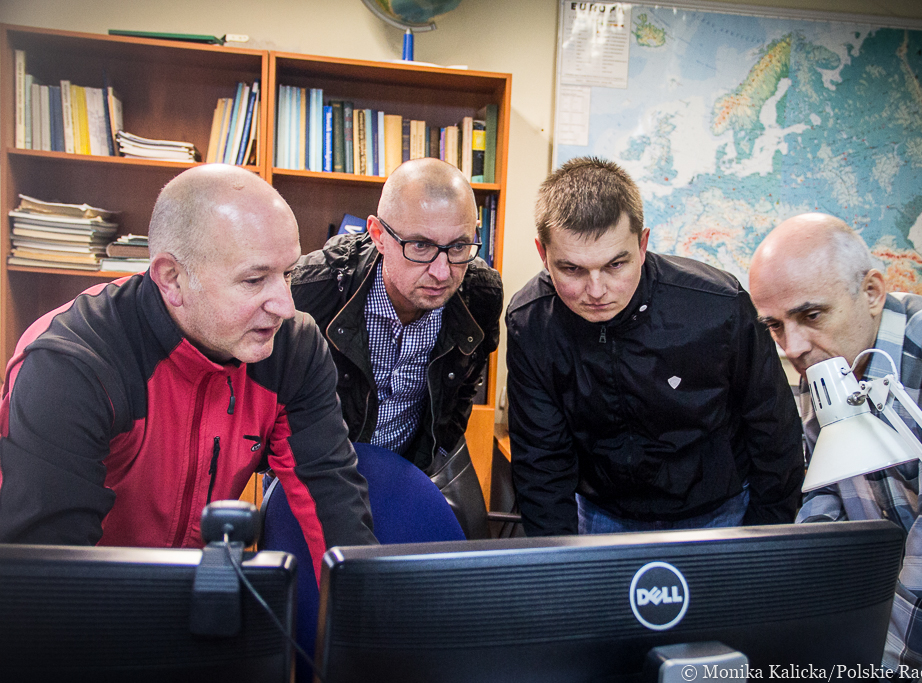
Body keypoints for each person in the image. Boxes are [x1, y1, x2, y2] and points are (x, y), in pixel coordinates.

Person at [0, 164, 376, 575]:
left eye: (288, 274)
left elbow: (332, 503)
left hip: (198, 587)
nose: (286, 306)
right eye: (254, 280)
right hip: (94, 596)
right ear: (172, 279)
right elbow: (46, 572)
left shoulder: (293, 348)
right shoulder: (71, 365)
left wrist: (367, 609)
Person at [748, 212, 922, 670]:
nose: (792, 347)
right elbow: (827, 495)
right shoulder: (825, 364)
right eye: (774, 325)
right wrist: (793, 598)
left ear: (872, 292)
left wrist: (880, 672)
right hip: (899, 587)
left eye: (811, 315)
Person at [505, 157, 804, 537]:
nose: (596, 291)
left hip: (720, 509)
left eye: (615, 265)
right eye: (572, 269)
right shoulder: (531, 321)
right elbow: (541, 459)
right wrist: (557, 561)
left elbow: (773, 429)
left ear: (642, 244)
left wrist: (764, 538)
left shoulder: (718, 305)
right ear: (542, 253)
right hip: (602, 513)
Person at [291, 158, 502, 536]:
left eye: (458, 246)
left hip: (415, 465)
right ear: (378, 234)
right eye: (420, 245)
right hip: (319, 469)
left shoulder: (480, 292)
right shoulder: (311, 290)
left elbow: (467, 383)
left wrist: (435, 450)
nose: (442, 272)